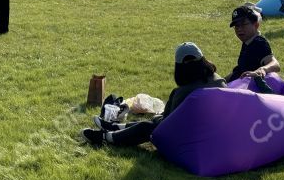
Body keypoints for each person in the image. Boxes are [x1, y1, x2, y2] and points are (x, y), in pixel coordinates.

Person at [81, 42, 226, 147]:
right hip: (214, 135)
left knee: (147, 128)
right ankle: (115, 127)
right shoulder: (220, 81)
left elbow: (166, 125)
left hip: (189, 141)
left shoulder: (183, 92)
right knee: (151, 122)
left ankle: (107, 137)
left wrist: (157, 119)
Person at [226, 5, 280, 83]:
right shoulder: (248, 42)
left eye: (243, 24)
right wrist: (221, 82)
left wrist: (262, 70)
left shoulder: (259, 43)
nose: (239, 29)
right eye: (237, 26)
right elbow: (239, 71)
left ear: (256, 25)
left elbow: (275, 65)